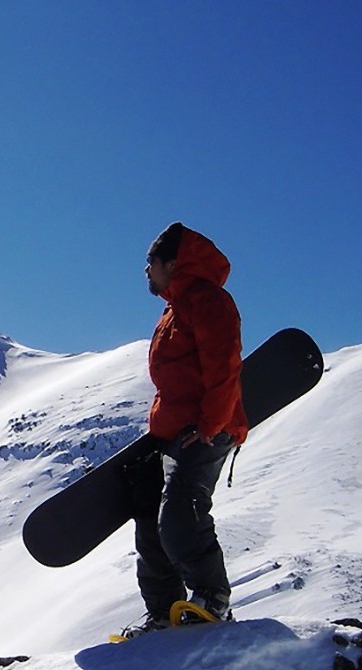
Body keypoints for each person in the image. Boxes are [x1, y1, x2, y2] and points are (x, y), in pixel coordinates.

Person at [127, 222, 248, 634]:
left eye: (151, 262)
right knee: (149, 521)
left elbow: (224, 362)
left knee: (180, 515)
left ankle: (214, 599)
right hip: (176, 432)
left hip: (209, 427)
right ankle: (165, 611)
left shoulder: (207, 300)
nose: (146, 270)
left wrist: (212, 422)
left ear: (172, 263)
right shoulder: (174, 309)